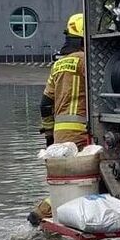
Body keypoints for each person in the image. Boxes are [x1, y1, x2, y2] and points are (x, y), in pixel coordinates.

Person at [41, 13, 87, 146]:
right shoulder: (85, 60)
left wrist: (49, 137)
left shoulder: (58, 64)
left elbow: (45, 104)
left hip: (60, 136)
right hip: (82, 134)